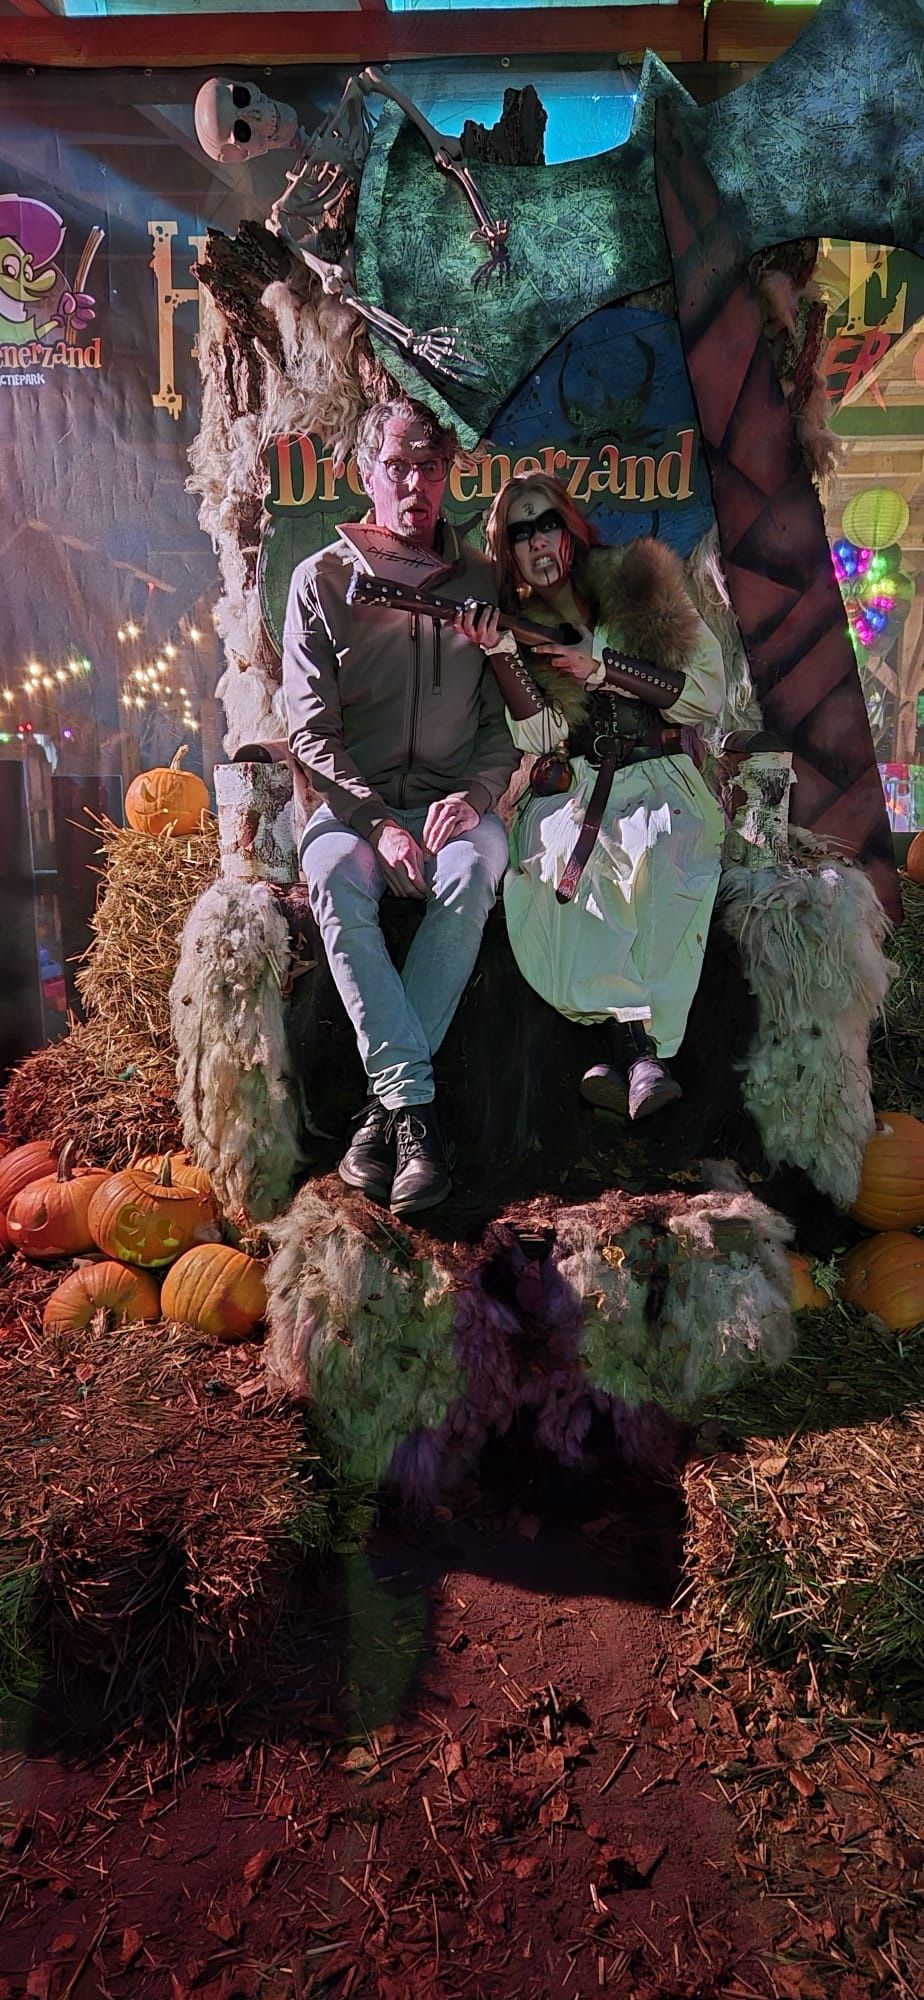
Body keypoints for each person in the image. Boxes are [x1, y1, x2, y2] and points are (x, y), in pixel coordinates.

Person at [283, 396, 516, 1215]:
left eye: (430, 467)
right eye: (398, 467)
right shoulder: (322, 582)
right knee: (338, 881)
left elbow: (502, 729)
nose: (414, 483)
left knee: (474, 870)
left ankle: (383, 1117)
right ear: (366, 474)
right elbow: (310, 736)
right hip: (354, 811)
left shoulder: (485, 584)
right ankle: (413, 1110)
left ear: (448, 476)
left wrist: (477, 796)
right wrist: (376, 825)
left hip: (456, 802)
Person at [474, 474, 726, 1120]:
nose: (537, 541)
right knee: (559, 875)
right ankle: (639, 1054)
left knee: (665, 859)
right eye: (519, 531)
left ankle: (629, 1049)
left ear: (571, 526)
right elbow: (542, 732)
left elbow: (704, 691)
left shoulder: (641, 586)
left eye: (545, 522)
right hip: (580, 788)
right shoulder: (521, 624)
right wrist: (503, 653)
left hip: (660, 774)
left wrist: (606, 669)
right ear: (508, 552)